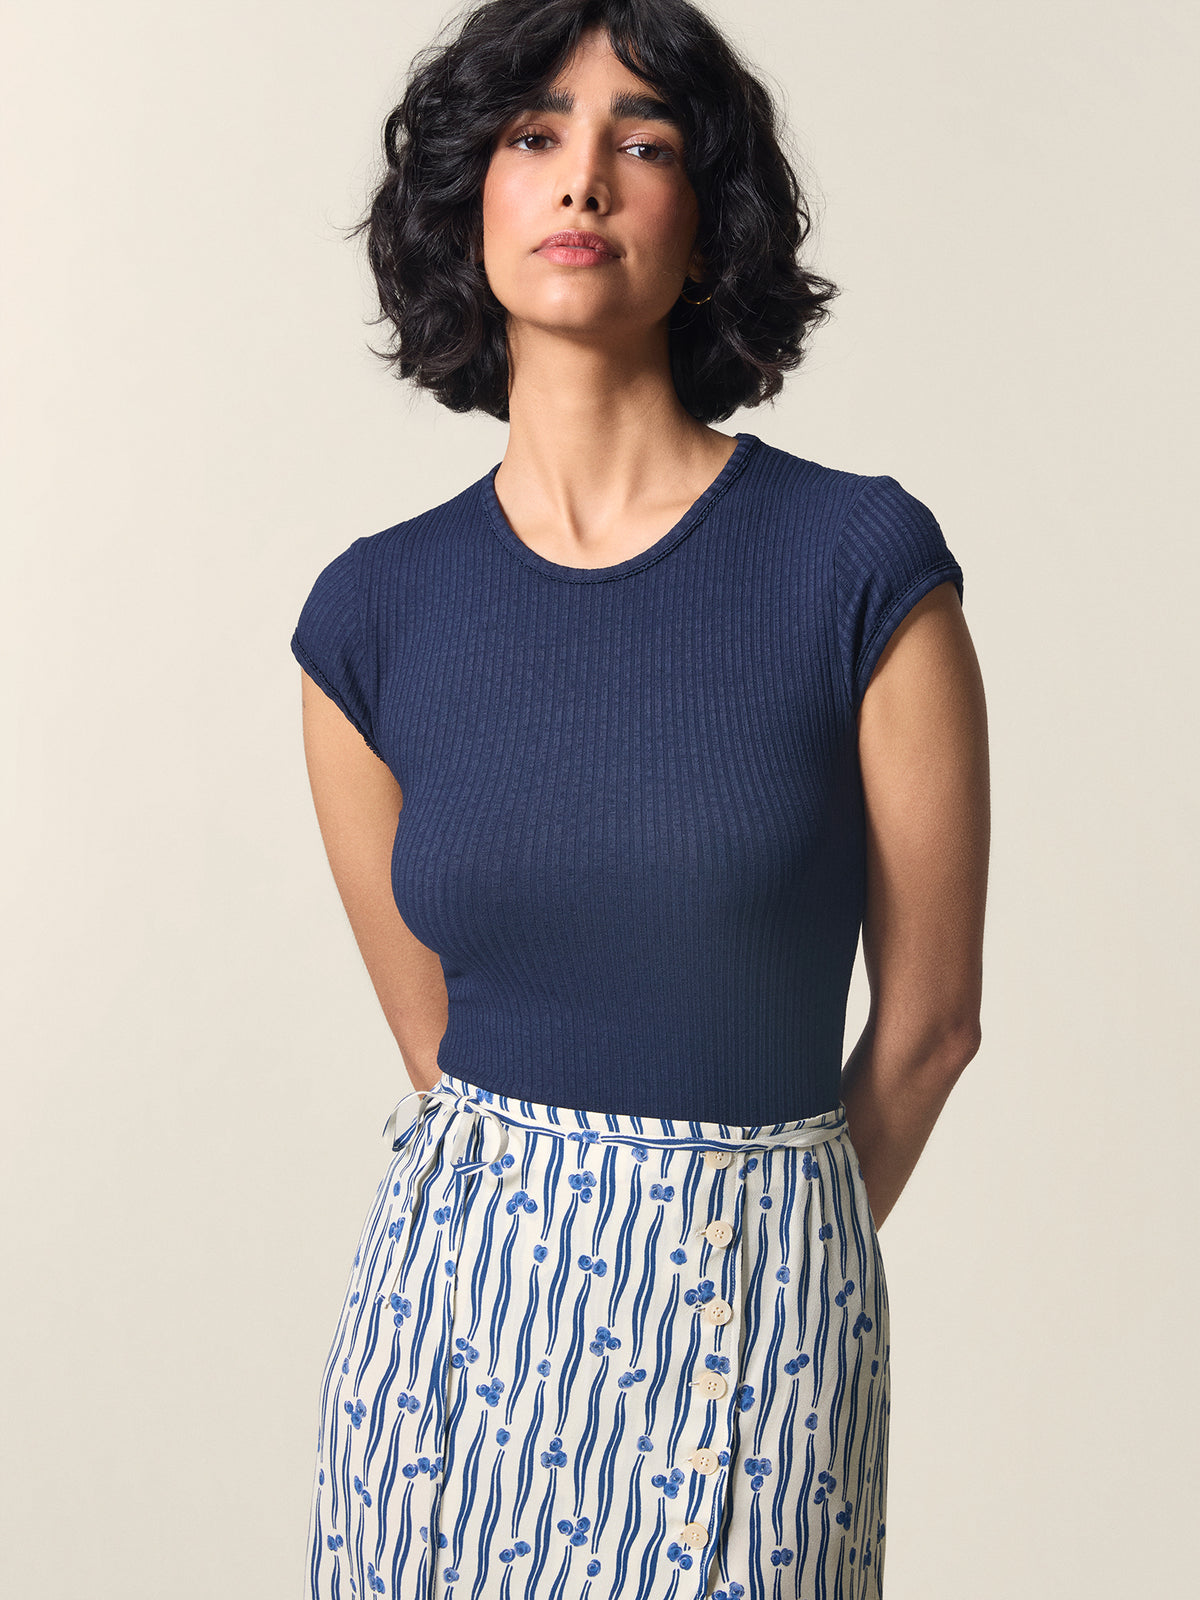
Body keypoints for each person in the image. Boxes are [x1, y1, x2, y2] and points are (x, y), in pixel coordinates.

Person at [289, 1, 989, 1595]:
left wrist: (762, 1250)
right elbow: (438, 1054)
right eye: (534, 135)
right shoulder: (367, 621)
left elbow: (933, 1026)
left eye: (644, 140)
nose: (582, 179)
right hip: (450, 1336)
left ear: (709, 221)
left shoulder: (858, 568)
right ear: (468, 201)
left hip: (758, 1312)